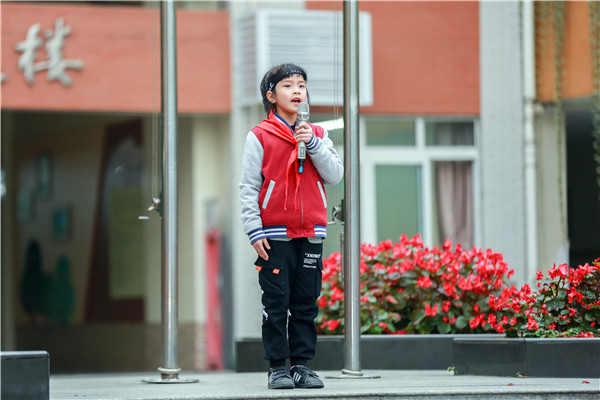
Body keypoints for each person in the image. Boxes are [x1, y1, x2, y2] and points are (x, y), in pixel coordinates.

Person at [239, 63, 343, 389]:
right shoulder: (259, 136)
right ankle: (277, 368)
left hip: (311, 233)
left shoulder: (318, 134)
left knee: (305, 304)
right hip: (274, 235)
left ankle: (301, 366)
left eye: (301, 85)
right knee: (276, 304)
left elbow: (335, 175)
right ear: (271, 96)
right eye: (288, 85)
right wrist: (254, 229)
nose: (297, 90)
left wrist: (312, 144)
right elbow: (249, 187)